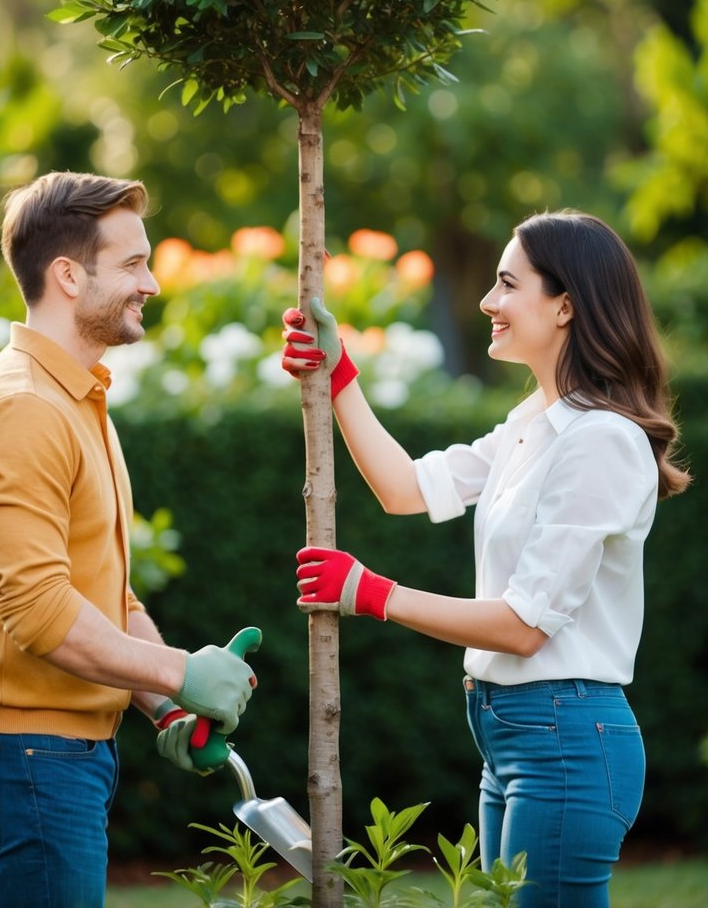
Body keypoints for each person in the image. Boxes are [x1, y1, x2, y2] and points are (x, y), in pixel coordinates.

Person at [281, 210, 690, 908]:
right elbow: (406, 488)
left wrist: (373, 593)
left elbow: (524, 626)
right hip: (512, 734)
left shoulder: (600, 441)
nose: (486, 301)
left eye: (506, 284)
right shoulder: (535, 421)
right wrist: (337, 372)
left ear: (564, 306)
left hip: (564, 735)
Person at [0, 171, 260, 908]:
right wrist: (180, 670)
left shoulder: (76, 397)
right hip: (27, 753)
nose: (150, 282)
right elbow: (43, 613)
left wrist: (162, 704)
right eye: (132, 264)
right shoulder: (23, 409)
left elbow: (103, 592)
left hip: (51, 753)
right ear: (68, 275)